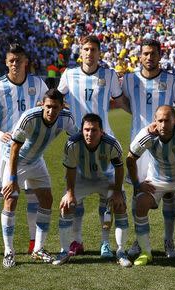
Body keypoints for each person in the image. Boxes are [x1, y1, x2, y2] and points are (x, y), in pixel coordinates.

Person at [58, 35, 126, 257]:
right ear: (81, 53)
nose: (89, 53)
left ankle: (105, 243)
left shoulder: (109, 75)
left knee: (107, 197)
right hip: (79, 144)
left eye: (93, 50)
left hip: (104, 143)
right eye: (86, 49)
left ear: (99, 53)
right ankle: (77, 241)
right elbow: (58, 99)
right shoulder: (69, 74)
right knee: (76, 196)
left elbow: (120, 100)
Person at [0, 43, 48, 260]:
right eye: (11, 61)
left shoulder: (38, 84)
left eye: (18, 60)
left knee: (32, 196)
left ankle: (32, 243)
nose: (15, 64)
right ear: (6, 62)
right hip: (3, 149)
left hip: (32, 149)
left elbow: (50, 106)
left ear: (25, 62)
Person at [0, 88, 78, 268]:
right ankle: (9, 251)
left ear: (62, 107)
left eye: (55, 108)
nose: (51, 111)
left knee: (47, 199)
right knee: (10, 199)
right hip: (16, 161)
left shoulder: (67, 118)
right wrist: (12, 178)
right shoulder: (29, 117)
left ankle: (38, 249)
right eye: (48, 107)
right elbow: (14, 148)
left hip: (36, 161)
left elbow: (76, 137)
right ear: (42, 104)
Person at [121, 39, 175, 259]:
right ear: (140, 56)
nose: (149, 57)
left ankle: (169, 241)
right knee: (138, 192)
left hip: (164, 144)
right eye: (146, 53)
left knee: (168, 193)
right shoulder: (129, 79)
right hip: (138, 144)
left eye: (153, 54)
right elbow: (124, 104)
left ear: (160, 56)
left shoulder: (172, 80)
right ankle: (139, 242)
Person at [126, 105, 175, 268]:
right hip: (156, 180)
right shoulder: (147, 135)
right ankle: (146, 252)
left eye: (167, 120)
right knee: (140, 205)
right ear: (155, 121)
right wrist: (137, 184)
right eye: (160, 120)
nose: (163, 125)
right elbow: (130, 158)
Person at [54, 113, 131, 267]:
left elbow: (119, 168)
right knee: (66, 206)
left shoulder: (112, 144)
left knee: (120, 205)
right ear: (81, 130)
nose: (90, 134)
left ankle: (119, 250)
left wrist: (117, 192)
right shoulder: (72, 143)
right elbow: (70, 170)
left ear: (101, 131)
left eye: (94, 130)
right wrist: (69, 193)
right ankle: (64, 250)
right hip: (82, 178)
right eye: (86, 130)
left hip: (106, 178)